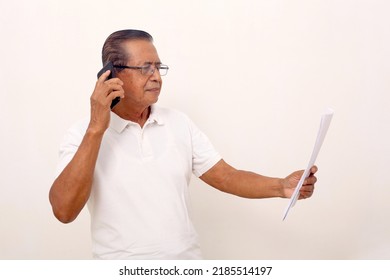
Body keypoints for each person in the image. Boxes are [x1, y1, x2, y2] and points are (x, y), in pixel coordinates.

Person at [49, 29, 317, 260]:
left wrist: (282, 186)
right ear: (112, 75)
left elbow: (226, 176)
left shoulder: (179, 123)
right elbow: (63, 210)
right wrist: (97, 127)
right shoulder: (82, 134)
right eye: (145, 68)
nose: (156, 76)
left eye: (158, 67)